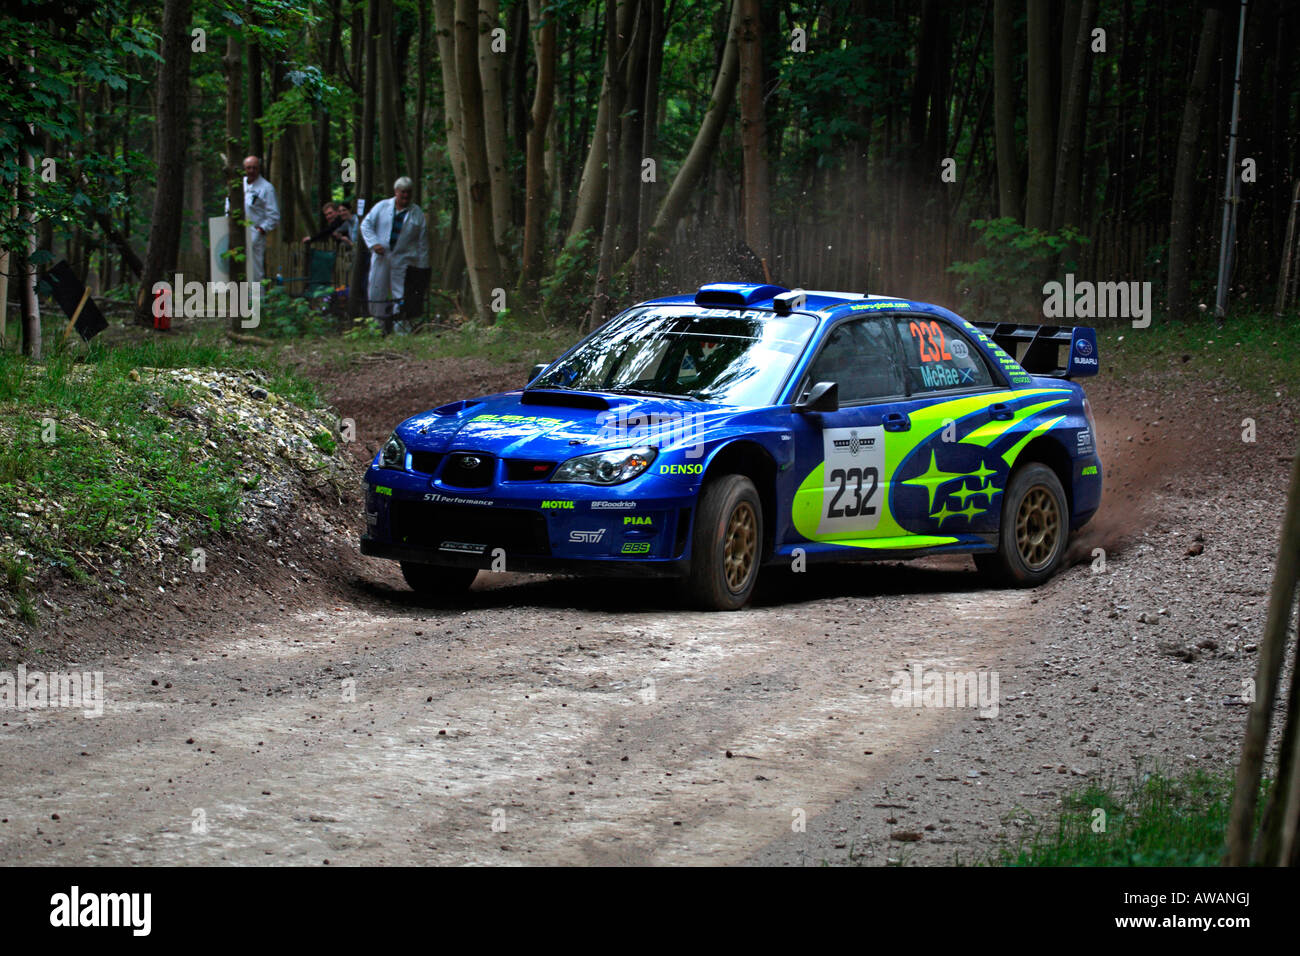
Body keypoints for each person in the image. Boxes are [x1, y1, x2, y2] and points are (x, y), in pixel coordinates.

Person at [359, 177, 428, 323]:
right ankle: (378, 325)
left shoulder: (417, 213)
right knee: (377, 291)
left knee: (402, 294)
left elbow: (422, 243)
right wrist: (374, 243)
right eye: (403, 192)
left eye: (408, 192)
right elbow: (366, 225)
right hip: (381, 257)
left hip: (404, 259)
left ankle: (401, 327)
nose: (406, 196)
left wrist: (422, 267)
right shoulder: (382, 207)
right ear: (396, 192)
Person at [240, 155, 279, 281]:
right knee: (239, 270)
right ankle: (239, 300)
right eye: (248, 168)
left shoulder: (266, 188)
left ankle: (257, 300)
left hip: (255, 233)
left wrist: (261, 230)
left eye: (254, 168)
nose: (251, 171)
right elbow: (228, 203)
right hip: (237, 231)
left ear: (259, 169)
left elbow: (274, 215)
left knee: (255, 272)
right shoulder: (238, 185)